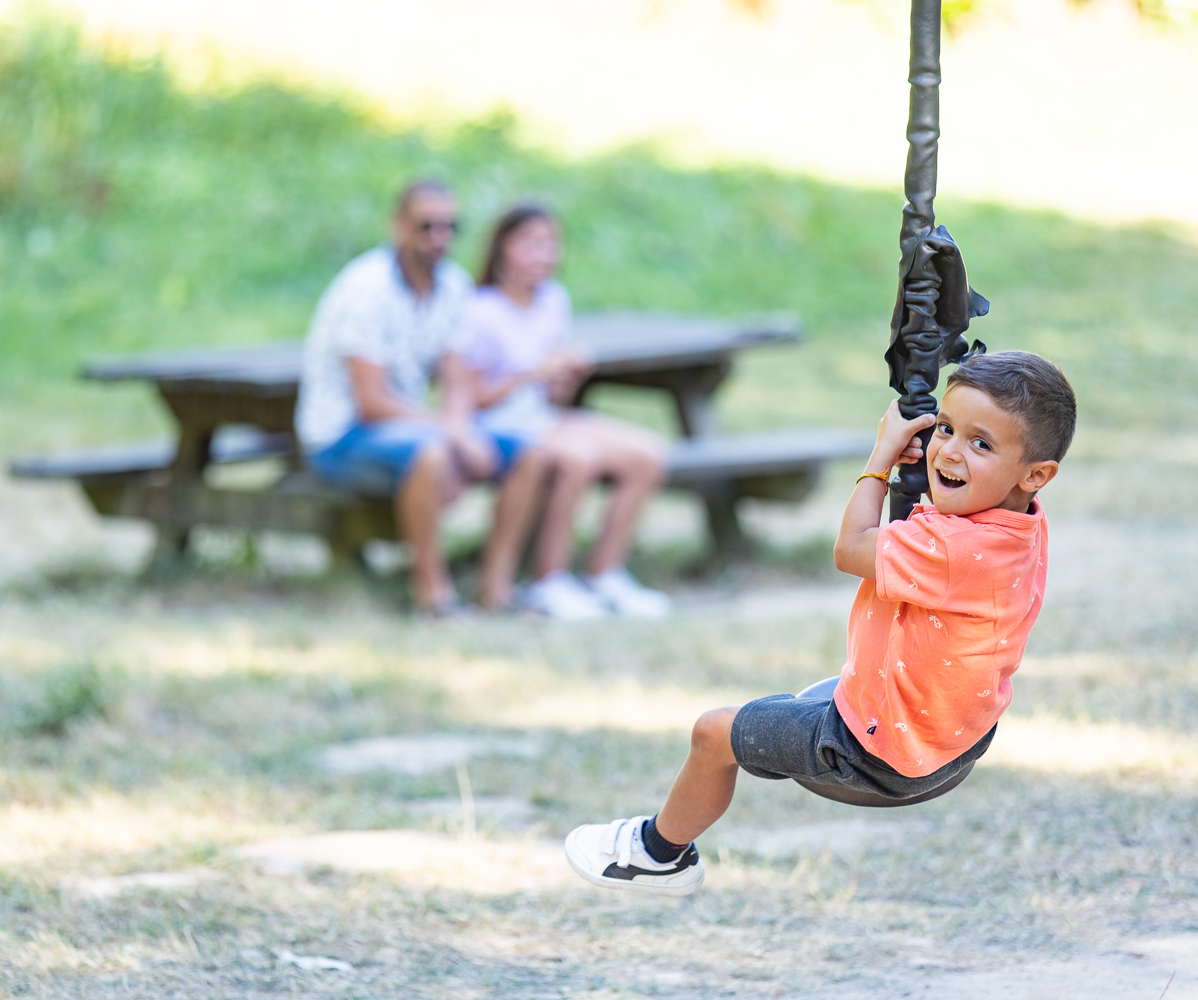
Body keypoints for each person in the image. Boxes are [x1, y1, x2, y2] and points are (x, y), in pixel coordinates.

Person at [563, 351, 1076, 895]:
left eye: (981, 444)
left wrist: (881, 456)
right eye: (946, 428)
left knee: (714, 734)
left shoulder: (951, 548)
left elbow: (850, 548)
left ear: (1036, 474)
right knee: (804, 701)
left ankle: (658, 856)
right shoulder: (1018, 525)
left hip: (879, 756)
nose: (947, 450)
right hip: (955, 739)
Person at [294, 179, 515, 615]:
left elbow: (457, 377)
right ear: (398, 226)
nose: (439, 239)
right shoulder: (366, 290)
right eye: (427, 226)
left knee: (530, 451)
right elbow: (371, 402)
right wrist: (450, 433)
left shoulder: (453, 285)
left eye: (451, 227)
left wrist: (459, 427)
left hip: (412, 427)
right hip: (341, 436)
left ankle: (500, 585)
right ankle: (433, 593)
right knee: (430, 455)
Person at [451, 203, 672, 619]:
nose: (545, 254)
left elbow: (551, 400)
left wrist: (564, 377)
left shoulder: (553, 300)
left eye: (552, 243)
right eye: (532, 244)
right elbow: (469, 397)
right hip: (499, 426)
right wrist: (531, 374)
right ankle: (547, 580)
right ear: (502, 248)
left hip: (544, 418)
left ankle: (605, 572)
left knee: (648, 454)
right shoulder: (480, 310)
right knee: (578, 458)